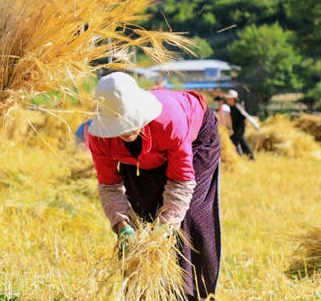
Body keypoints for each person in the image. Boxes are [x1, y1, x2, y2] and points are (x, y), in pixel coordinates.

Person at [85, 72, 221, 301]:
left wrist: (166, 227)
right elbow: (109, 185)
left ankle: (191, 294)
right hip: (144, 154)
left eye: (129, 122)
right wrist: (121, 225)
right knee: (142, 214)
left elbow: (181, 181)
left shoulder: (170, 121)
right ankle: (142, 292)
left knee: (188, 217)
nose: (126, 131)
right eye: (118, 126)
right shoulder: (100, 137)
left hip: (196, 141)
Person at [217, 89, 260, 160]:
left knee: (234, 140)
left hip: (240, 128)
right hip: (235, 127)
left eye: (229, 98)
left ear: (233, 99)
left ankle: (242, 156)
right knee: (240, 141)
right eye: (227, 98)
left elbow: (246, 116)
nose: (228, 100)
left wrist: (256, 126)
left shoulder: (237, 107)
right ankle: (248, 157)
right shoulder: (231, 107)